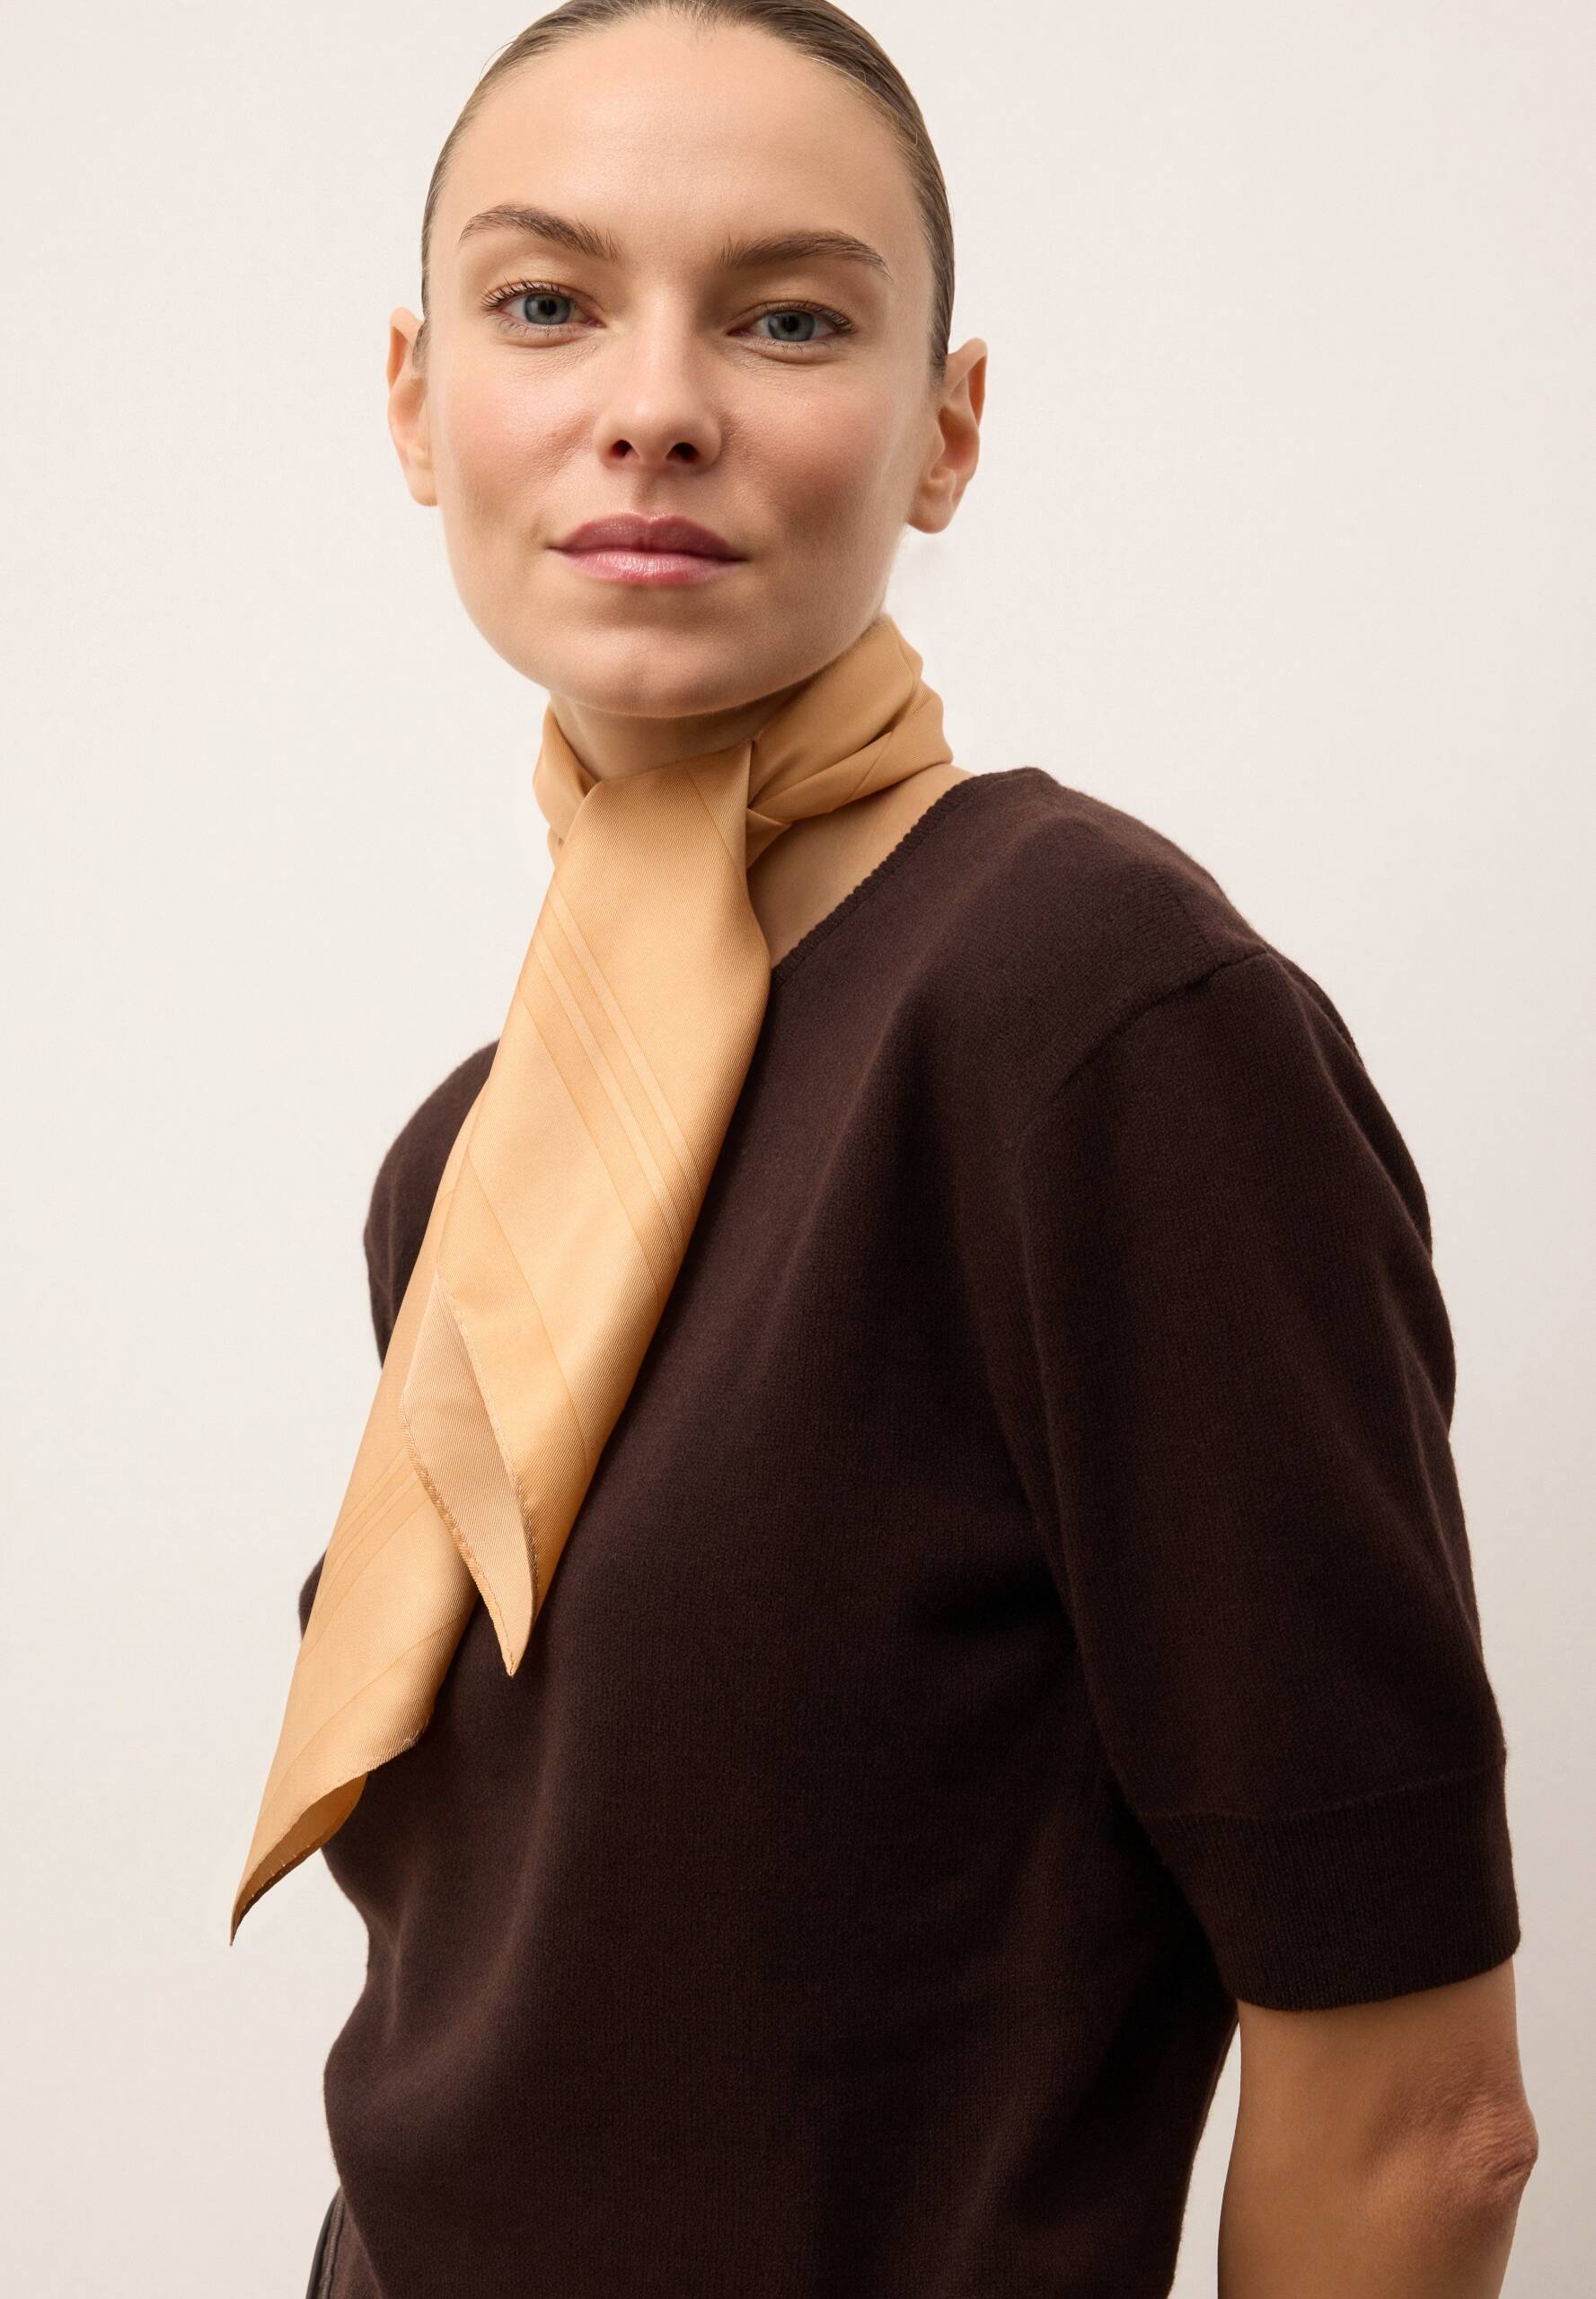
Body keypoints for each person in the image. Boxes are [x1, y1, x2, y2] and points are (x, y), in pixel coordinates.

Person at [231, 5, 1538, 2295]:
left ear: (945, 432)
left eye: (787, 318)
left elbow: (1421, 2124)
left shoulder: (1094, 1020)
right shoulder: (467, 1161)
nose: (654, 401)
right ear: (417, 402)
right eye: (544, 300)